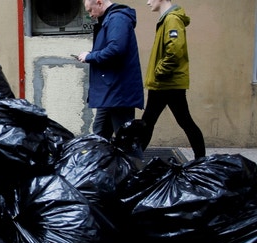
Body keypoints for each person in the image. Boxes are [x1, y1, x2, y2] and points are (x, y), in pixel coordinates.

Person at [140, 0, 205, 158]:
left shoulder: (172, 19)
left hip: (166, 83)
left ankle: (131, 161)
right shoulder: (168, 19)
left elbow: (175, 50)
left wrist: (160, 71)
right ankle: (201, 160)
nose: (148, 2)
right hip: (167, 83)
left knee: (148, 122)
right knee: (180, 121)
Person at [76, 0, 144, 142]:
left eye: (90, 10)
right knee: (99, 135)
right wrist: (92, 53)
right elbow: (112, 47)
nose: (90, 15)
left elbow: (116, 49)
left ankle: (131, 163)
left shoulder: (117, 18)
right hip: (111, 91)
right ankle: (99, 163)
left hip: (118, 92)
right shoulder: (111, 19)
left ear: (99, 3)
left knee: (125, 139)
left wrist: (90, 56)